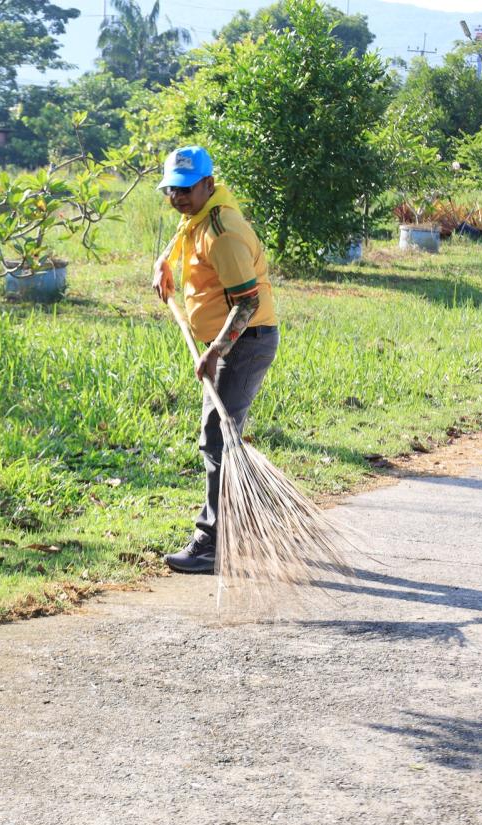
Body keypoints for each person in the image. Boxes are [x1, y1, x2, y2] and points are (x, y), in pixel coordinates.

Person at [151, 145, 278, 574]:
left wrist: (215, 350)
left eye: (186, 189)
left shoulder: (222, 233)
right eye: (171, 190)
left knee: (218, 439)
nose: (177, 198)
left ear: (208, 184)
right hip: (229, 341)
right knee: (221, 438)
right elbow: (183, 234)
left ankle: (213, 542)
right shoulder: (200, 215)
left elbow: (247, 302)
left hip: (245, 342)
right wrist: (164, 263)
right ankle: (247, 524)